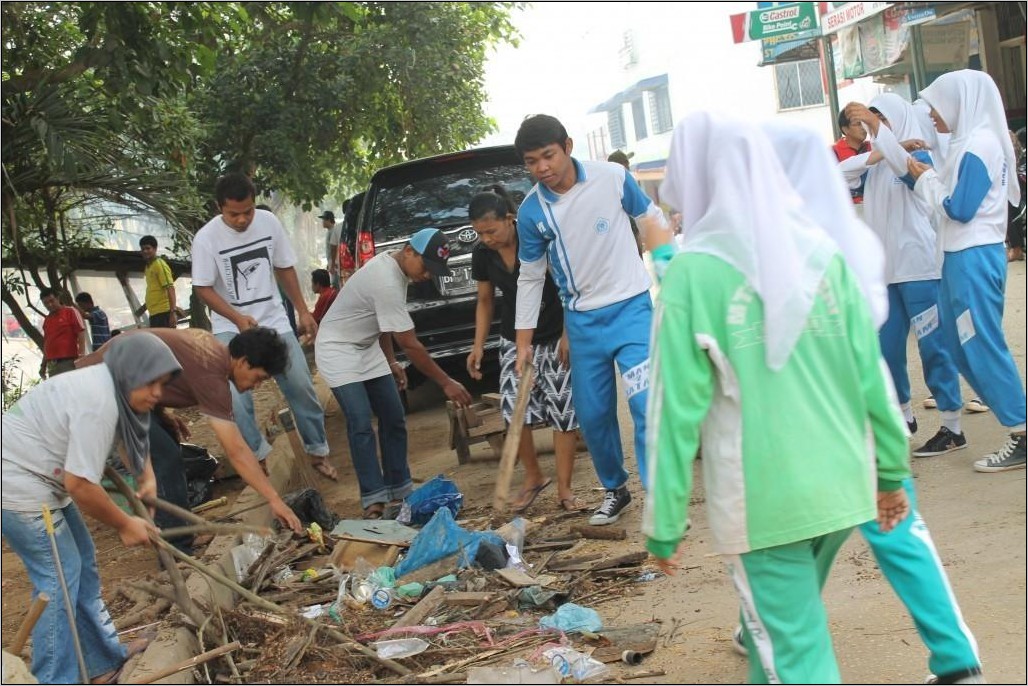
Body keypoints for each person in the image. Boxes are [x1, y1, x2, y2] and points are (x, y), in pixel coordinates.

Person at [644, 112, 912, 684]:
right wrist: (890, 469)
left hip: (765, 504)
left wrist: (665, 520)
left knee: (794, 656)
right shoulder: (822, 255)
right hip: (841, 482)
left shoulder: (692, 276)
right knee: (781, 637)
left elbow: (673, 411)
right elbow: (871, 375)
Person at [765, 118, 985, 686]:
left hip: (804, 434)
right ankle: (957, 660)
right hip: (862, 421)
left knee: (789, 542)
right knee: (895, 535)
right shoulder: (848, 239)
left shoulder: (757, 251)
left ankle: (766, 630)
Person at [513, 114, 672, 526]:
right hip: (583, 325)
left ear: (567, 146)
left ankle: (661, 499)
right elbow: (530, 277)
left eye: (548, 156)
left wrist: (671, 274)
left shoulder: (612, 178)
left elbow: (650, 218)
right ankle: (615, 490)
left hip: (633, 311)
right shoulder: (532, 212)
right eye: (532, 162)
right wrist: (524, 341)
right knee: (594, 414)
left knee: (645, 403)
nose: (542, 168)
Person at [2, 333, 181, 684]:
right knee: (57, 581)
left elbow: (133, 436)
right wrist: (125, 524)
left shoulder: (113, 387)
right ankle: (54, 678)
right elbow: (81, 486)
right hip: (18, 483)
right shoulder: (98, 401)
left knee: (82, 560)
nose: (158, 393)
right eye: (152, 382)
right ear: (130, 372)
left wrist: (147, 479)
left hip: (40, 477)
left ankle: (101, 662)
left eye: (162, 383)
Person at [901, 69, 1027, 473]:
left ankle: (1021, 431)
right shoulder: (967, 143)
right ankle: (1015, 418)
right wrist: (922, 173)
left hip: (973, 256)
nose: (933, 115)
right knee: (958, 344)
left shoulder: (978, 144)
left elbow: (960, 207)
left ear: (960, 102)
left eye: (937, 106)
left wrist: (927, 179)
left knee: (981, 343)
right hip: (959, 256)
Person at [77, 326, 304, 547]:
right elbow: (236, 450)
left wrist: (161, 412)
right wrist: (273, 498)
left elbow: (150, 369)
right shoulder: (212, 372)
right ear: (244, 362)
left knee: (168, 446)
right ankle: (174, 546)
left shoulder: (212, 350)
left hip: (116, 381)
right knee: (165, 458)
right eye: (259, 377)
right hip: (102, 387)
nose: (256, 386)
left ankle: (180, 532)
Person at [839, 94, 969, 457]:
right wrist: (879, 151)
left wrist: (887, 145)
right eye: (871, 122)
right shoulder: (875, 164)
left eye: (880, 119)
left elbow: (905, 167)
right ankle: (903, 417)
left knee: (933, 347)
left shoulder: (920, 158)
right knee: (887, 349)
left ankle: (952, 425)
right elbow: (839, 173)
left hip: (920, 269)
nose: (873, 126)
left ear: (899, 119)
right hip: (886, 273)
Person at [315, 228, 472, 519]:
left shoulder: (396, 269)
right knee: (361, 421)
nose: (427, 275)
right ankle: (373, 499)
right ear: (410, 251)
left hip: (367, 345)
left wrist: (389, 362)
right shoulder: (386, 278)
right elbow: (409, 344)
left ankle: (399, 489)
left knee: (393, 414)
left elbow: (382, 324)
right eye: (426, 267)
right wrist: (445, 382)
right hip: (337, 348)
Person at [191, 172, 336, 479]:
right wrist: (236, 317)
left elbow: (284, 267)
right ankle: (257, 455)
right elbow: (203, 288)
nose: (243, 220)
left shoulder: (269, 224)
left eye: (248, 211)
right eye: (234, 214)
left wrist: (302, 310)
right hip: (229, 326)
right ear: (220, 208)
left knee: (299, 384)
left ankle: (317, 450)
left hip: (272, 319)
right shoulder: (206, 239)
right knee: (235, 397)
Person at [466, 185, 586, 513]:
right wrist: (478, 346)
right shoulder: (482, 253)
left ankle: (565, 489)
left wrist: (568, 333)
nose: (486, 238)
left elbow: (567, 288)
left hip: (551, 333)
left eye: (491, 231)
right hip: (512, 338)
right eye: (480, 233)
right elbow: (485, 300)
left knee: (563, 413)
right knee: (514, 413)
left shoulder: (535, 240)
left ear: (510, 219)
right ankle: (533, 477)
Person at [39, 287, 86, 379]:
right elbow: (47, 343)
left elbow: (81, 332)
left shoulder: (70, 311)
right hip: (52, 363)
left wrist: (81, 356)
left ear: (58, 298)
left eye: (51, 301)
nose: (49, 305)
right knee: (59, 391)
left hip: (69, 360)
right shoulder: (47, 320)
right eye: (46, 303)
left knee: (72, 387)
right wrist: (43, 365)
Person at [607, 150, 644, 256]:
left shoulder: (616, 183)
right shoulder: (619, 185)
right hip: (625, 239)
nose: (628, 168)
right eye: (626, 165)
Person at [833, 107, 873, 206]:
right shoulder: (833, 153)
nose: (863, 128)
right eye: (858, 124)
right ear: (845, 129)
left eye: (864, 123)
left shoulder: (874, 148)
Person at [137, 235, 177, 328]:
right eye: (143, 249)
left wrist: (173, 313)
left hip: (164, 313)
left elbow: (170, 288)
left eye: (148, 248)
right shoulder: (148, 267)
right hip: (154, 313)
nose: (145, 251)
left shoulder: (159, 264)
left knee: (165, 341)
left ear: (155, 248)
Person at [320, 209, 342, 288]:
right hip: (332, 263)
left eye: (323, 220)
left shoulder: (333, 231)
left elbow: (334, 248)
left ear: (328, 220)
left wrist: (333, 264)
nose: (322, 222)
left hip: (335, 264)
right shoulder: (330, 231)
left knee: (335, 285)